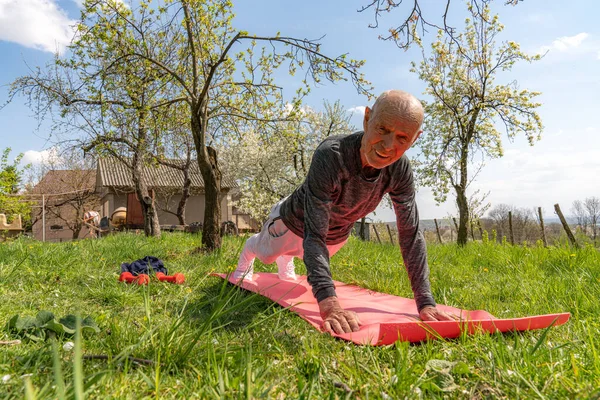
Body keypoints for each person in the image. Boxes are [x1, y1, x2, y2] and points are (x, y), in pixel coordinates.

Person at [233, 90, 455, 334]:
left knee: (305, 252)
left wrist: (425, 301)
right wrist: (329, 303)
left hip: (335, 234)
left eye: (403, 138)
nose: (388, 146)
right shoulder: (332, 155)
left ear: (415, 139)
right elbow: (313, 233)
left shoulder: (400, 170)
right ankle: (252, 247)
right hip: (293, 221)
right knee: (267, 255)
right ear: (367, 118)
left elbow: (410, 234)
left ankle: (288, 258)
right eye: (382, 129)